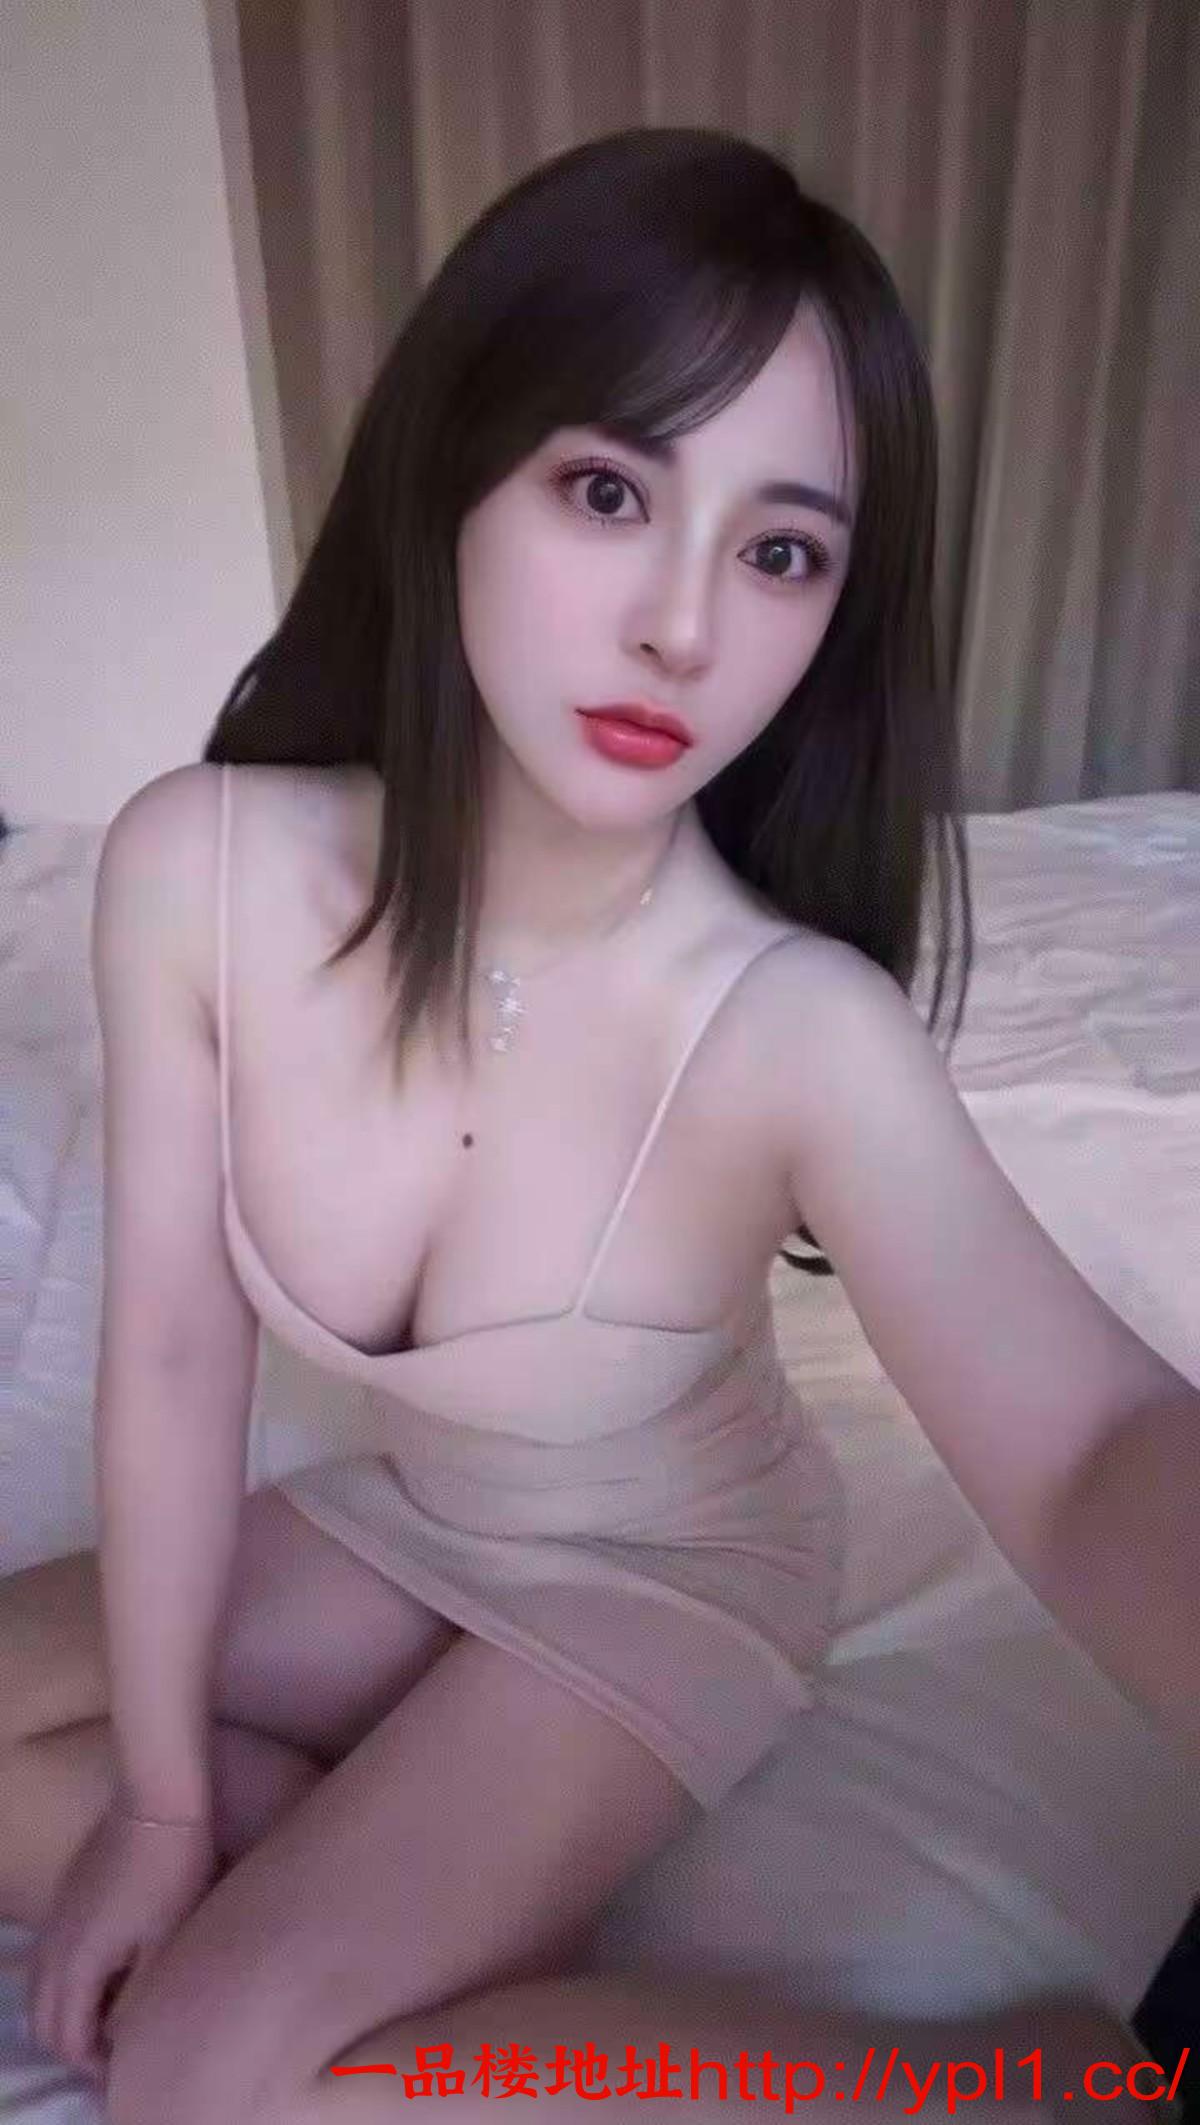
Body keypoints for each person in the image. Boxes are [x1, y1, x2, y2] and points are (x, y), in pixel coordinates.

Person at [2, 125, 1196, 2125]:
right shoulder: (195, 868)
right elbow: (181, 1353)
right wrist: (171, 1804)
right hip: (417, 1517)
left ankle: (1026, 2089)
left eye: (781, 550)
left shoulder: (790, 1027)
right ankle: (344, 1908)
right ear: (452, 473)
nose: (681, 627)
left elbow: (1087, 1448)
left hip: (669, 1573)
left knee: (206, 2080)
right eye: (609, 490)